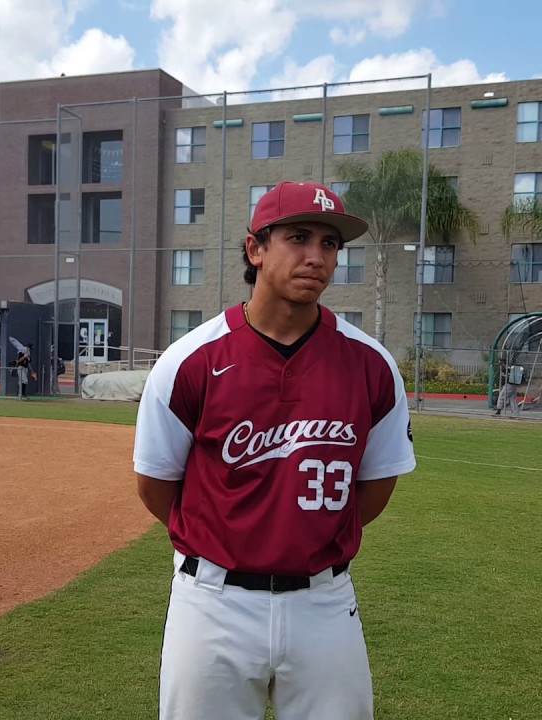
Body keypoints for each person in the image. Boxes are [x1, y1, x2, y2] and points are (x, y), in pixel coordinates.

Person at [133, 181, 416, 720]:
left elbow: (376, 485)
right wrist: (227, 540)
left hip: (324, 602)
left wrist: (309, 540)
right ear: (255, 249)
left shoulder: (370, 363)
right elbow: (156, 485)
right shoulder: (190, 359)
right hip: (212, 602)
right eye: (298, 237)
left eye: (330, 244)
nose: (317, 256)